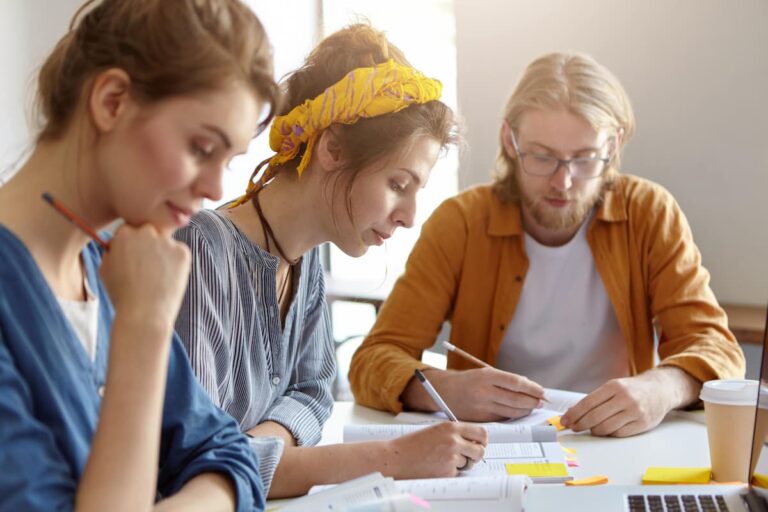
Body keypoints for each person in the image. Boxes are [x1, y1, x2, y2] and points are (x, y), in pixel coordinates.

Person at [349, 52, 746, 438]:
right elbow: (373, 359)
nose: (563, 182)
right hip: (494, 448)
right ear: (509, 140)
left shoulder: (649, 213)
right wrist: (445, 387)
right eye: (542, 157)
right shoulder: (462, 224)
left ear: (613, 147)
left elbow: (719, 350)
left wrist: (663, 387)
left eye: (585, 158)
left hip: (616, 442)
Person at [173, 24, 487, 499]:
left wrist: (251, 450)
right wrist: (394, 459)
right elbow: (197, 466)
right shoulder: (201, 251)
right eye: (398, 185)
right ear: (332, 148)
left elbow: (315, 394)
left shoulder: (307, 256)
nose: (408, 217)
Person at [0, 0, 280, 510]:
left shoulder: (110, 268)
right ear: (112, 101)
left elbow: (231, 455)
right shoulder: (132, 299)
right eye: (201, 147)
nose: (218, 189)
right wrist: (145, 328)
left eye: (229, 160)